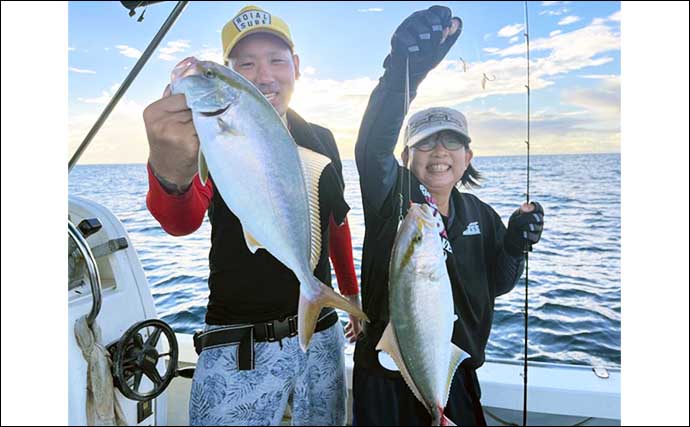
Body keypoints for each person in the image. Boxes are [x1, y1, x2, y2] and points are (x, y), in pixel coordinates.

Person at [143, 5, 361, 425]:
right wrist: (170, 172)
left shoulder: (320, 138)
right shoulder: (206, 133)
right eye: (246, 64)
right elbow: (180, 221)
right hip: (238, 344)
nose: (264, 76)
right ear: (233, 75)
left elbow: (335, 218)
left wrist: (349, 292)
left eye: (277, 60)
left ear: (296, 66)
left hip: (321, 332)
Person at [352, 6, 545, 426]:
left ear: (468, 156)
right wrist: (402, 71)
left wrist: (514, 245)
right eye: (425, 144)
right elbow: (370, 148)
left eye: (451, 142)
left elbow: (498, 283)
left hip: (452, 376)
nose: (439, 152)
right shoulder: (393, 201)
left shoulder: (481, 214)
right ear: (406, 156)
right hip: (385, 379)